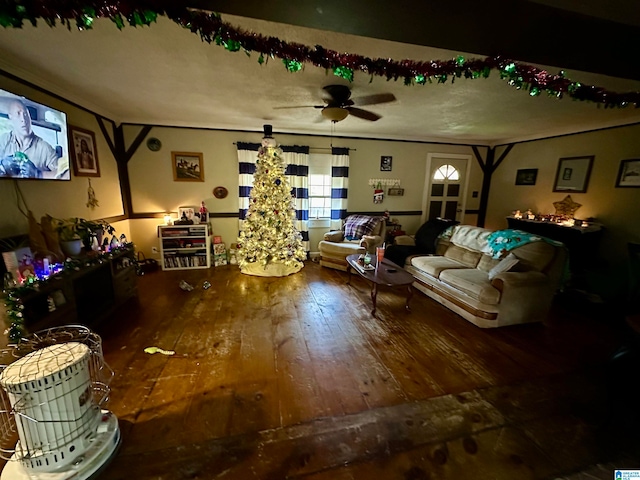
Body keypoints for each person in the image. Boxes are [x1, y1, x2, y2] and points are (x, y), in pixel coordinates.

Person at [0, 98, 59, 178]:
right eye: (18, 114)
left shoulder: (44, 148)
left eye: (26, 114)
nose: (23, 119)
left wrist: (38, 174)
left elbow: (62, 174)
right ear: (11, 117)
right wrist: (2, 166)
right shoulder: (3, 141)